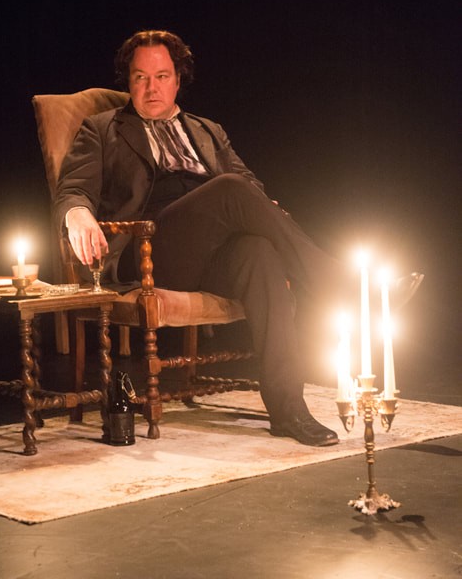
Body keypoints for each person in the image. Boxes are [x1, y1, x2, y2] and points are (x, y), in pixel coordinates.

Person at [55, 30, 423, 447]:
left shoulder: (208, 130)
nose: (151, 87)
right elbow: (72, 188)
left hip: (210, 249)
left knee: (259, 253)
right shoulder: (102, 129)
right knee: (230, 189)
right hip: (149, 249)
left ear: (179, 79)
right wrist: (77, 214)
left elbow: (250, 186)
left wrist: (266, 212)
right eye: (140, 77)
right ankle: (346, 287)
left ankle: (288, 410)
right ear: (128, 80)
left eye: (161, 76)